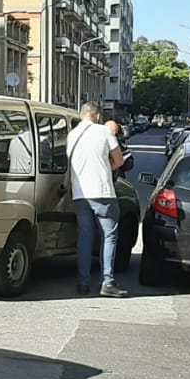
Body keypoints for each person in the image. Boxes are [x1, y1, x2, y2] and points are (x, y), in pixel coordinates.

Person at [67, 102, 128, 298]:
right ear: (98, 116)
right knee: (109, 236)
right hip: (102, 192)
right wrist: (105, 168)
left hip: (80, 194)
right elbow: (119, 160)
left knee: (85, 237)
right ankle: (107, 282)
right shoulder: (104, 132)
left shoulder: (72, 135)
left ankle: (83, 283)